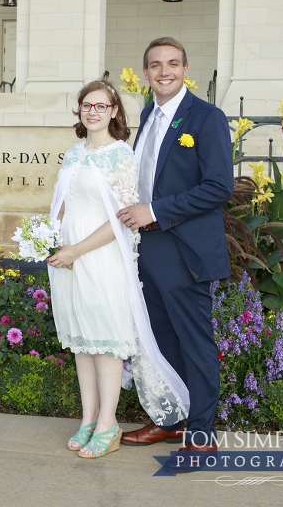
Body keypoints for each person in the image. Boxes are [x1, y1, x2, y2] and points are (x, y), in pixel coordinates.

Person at [46, 80, 189, 459]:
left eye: (101, 106)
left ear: (113, 112)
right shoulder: (74, 152)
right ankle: (89, 418)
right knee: (82, 342)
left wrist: (77, 249)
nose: (93, 112)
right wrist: (48, 240)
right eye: (86, 105)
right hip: (68, 257)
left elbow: (123, 219)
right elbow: (63, 203)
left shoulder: (122, 155)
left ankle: (109, 425)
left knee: (105, 342)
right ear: (79, 110)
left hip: (100, 255)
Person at [116, 37, 234, 458]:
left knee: (193, 341)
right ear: (145, 72)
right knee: (160, 339)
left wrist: (155, 211)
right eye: (155, 65)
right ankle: (171, 421)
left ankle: (201, 432)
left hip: (184, 248)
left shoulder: (206, 117)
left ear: (186, 69)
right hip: (147, 246)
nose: (164, 71)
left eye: (173, 63)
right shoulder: (148, 114)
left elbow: (219, 188)